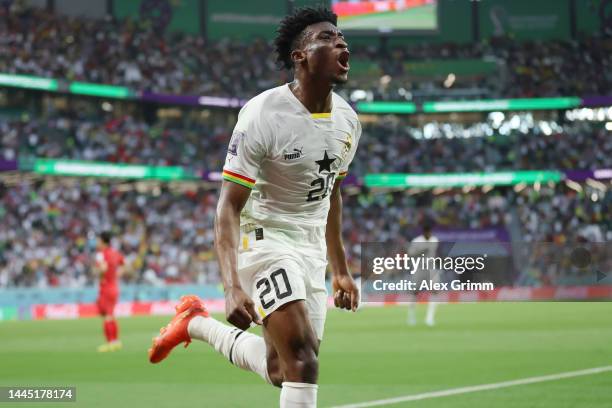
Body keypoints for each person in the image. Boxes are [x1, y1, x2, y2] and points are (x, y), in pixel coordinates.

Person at [148, 6, 361, 407]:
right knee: (302, 360)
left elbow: (331, 194)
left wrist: (342, 271)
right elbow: (228, 206)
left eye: (341, 37)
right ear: (300, 56)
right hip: (265, 238)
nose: (341, 42)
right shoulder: (262, 114)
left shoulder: (349, 122)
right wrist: (231, 286)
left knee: (283, 369)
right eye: (328, 38)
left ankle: (195, 324)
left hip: (311, 247)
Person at [94, 231, 124, 352]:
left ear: (102, 241)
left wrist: (97, 271)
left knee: (106, 316)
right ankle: (115, 341)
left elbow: (103, 268)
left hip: (105, 288)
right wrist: (116, 275)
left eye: (97, 240)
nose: (96, 243)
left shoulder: (101, 254)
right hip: (114, 287)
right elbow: (123, 264)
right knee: (109, 315)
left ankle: (110, 343)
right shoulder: (115, 252)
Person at [407, 224, 440, 327]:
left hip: (431, 269)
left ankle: (429, 318)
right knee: (415, 293)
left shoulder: (434, 240)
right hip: (419, 269)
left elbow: (434, 253)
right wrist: (421, 250)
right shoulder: (417, 241)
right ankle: (411, 316)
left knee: (435, 291)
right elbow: (410, 253)